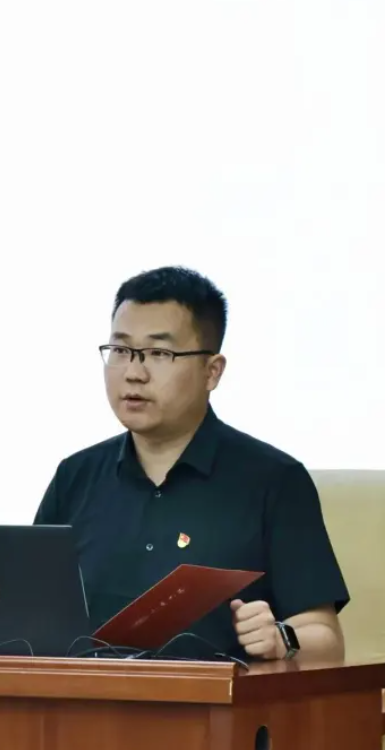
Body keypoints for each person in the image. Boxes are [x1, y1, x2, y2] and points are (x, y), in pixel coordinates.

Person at [32, 266, 349, 663]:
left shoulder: (274, 481)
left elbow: (327, 641)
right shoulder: (75, 477)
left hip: (217, 701)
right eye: (121, 351)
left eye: (159, 354)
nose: (133, 373)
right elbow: (28, 616)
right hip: (87, 700)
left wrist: (281, 638)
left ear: (212, 372)